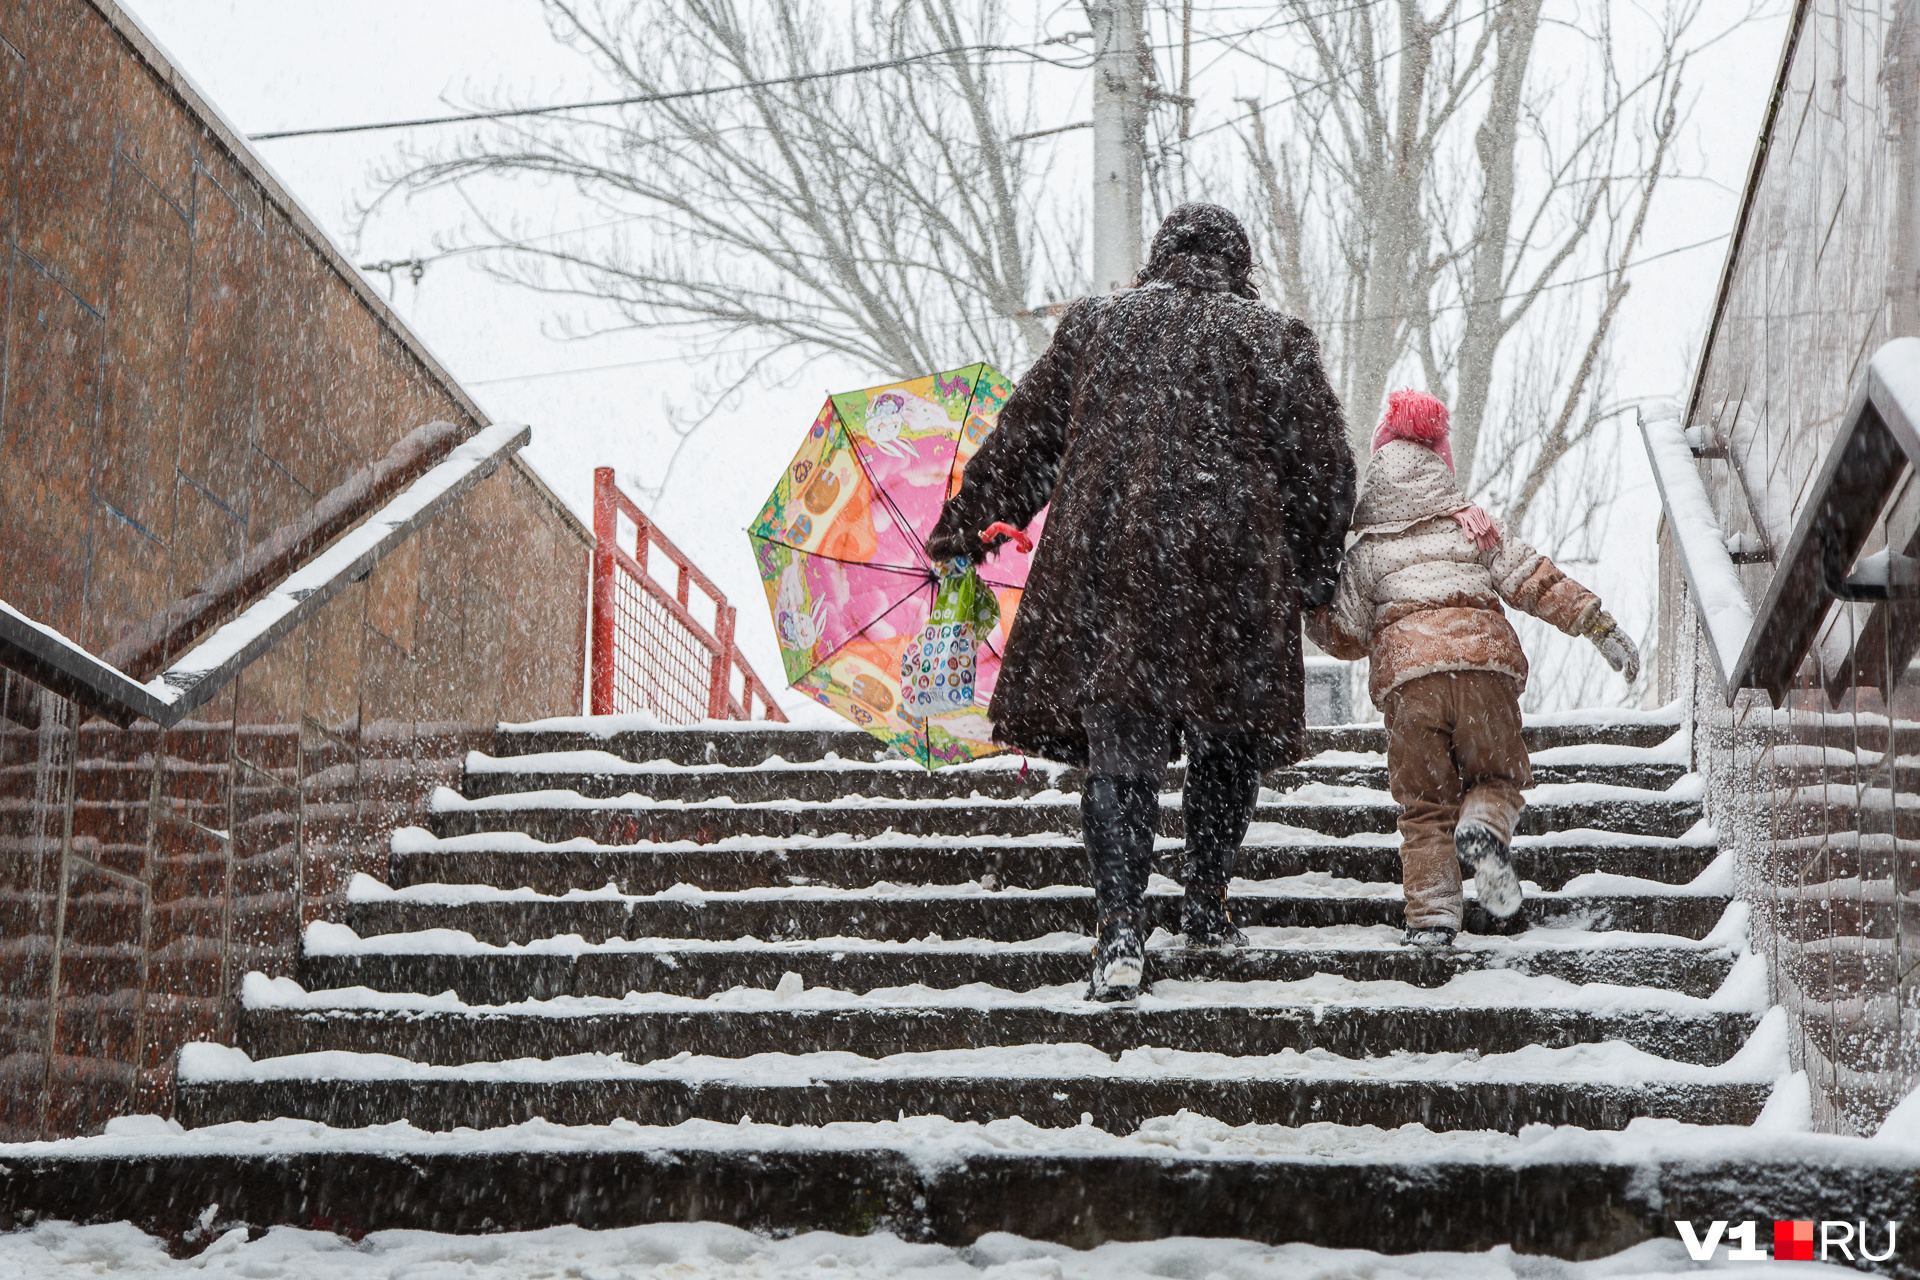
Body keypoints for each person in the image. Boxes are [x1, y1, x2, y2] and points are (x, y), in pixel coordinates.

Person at [926, 203, 1355, 1001]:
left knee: (1121, 750)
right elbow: (1324, 470)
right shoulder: (1275, 339)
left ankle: (1120, 925)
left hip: (1110, 572)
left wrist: (970, 525)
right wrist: (1311, 571)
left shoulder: (1097, 326)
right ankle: (1205, 904)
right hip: (1231, 575)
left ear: (1157, 259)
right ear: (1240, 266)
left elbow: (1026, 437)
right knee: (1226, 744)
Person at [1305, 390, 1640, 947]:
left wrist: (1312, 610)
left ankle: (1434, 919)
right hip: (1484, 672)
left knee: (1424, 805)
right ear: (1441, 460)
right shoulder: (1471, 524)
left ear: (1379, 463)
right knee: (1497, 777)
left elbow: (1345, 635)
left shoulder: (1365, 549)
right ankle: (1484, 830)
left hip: (1409, 684)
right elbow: (1530, 577)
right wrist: (1595, 624)